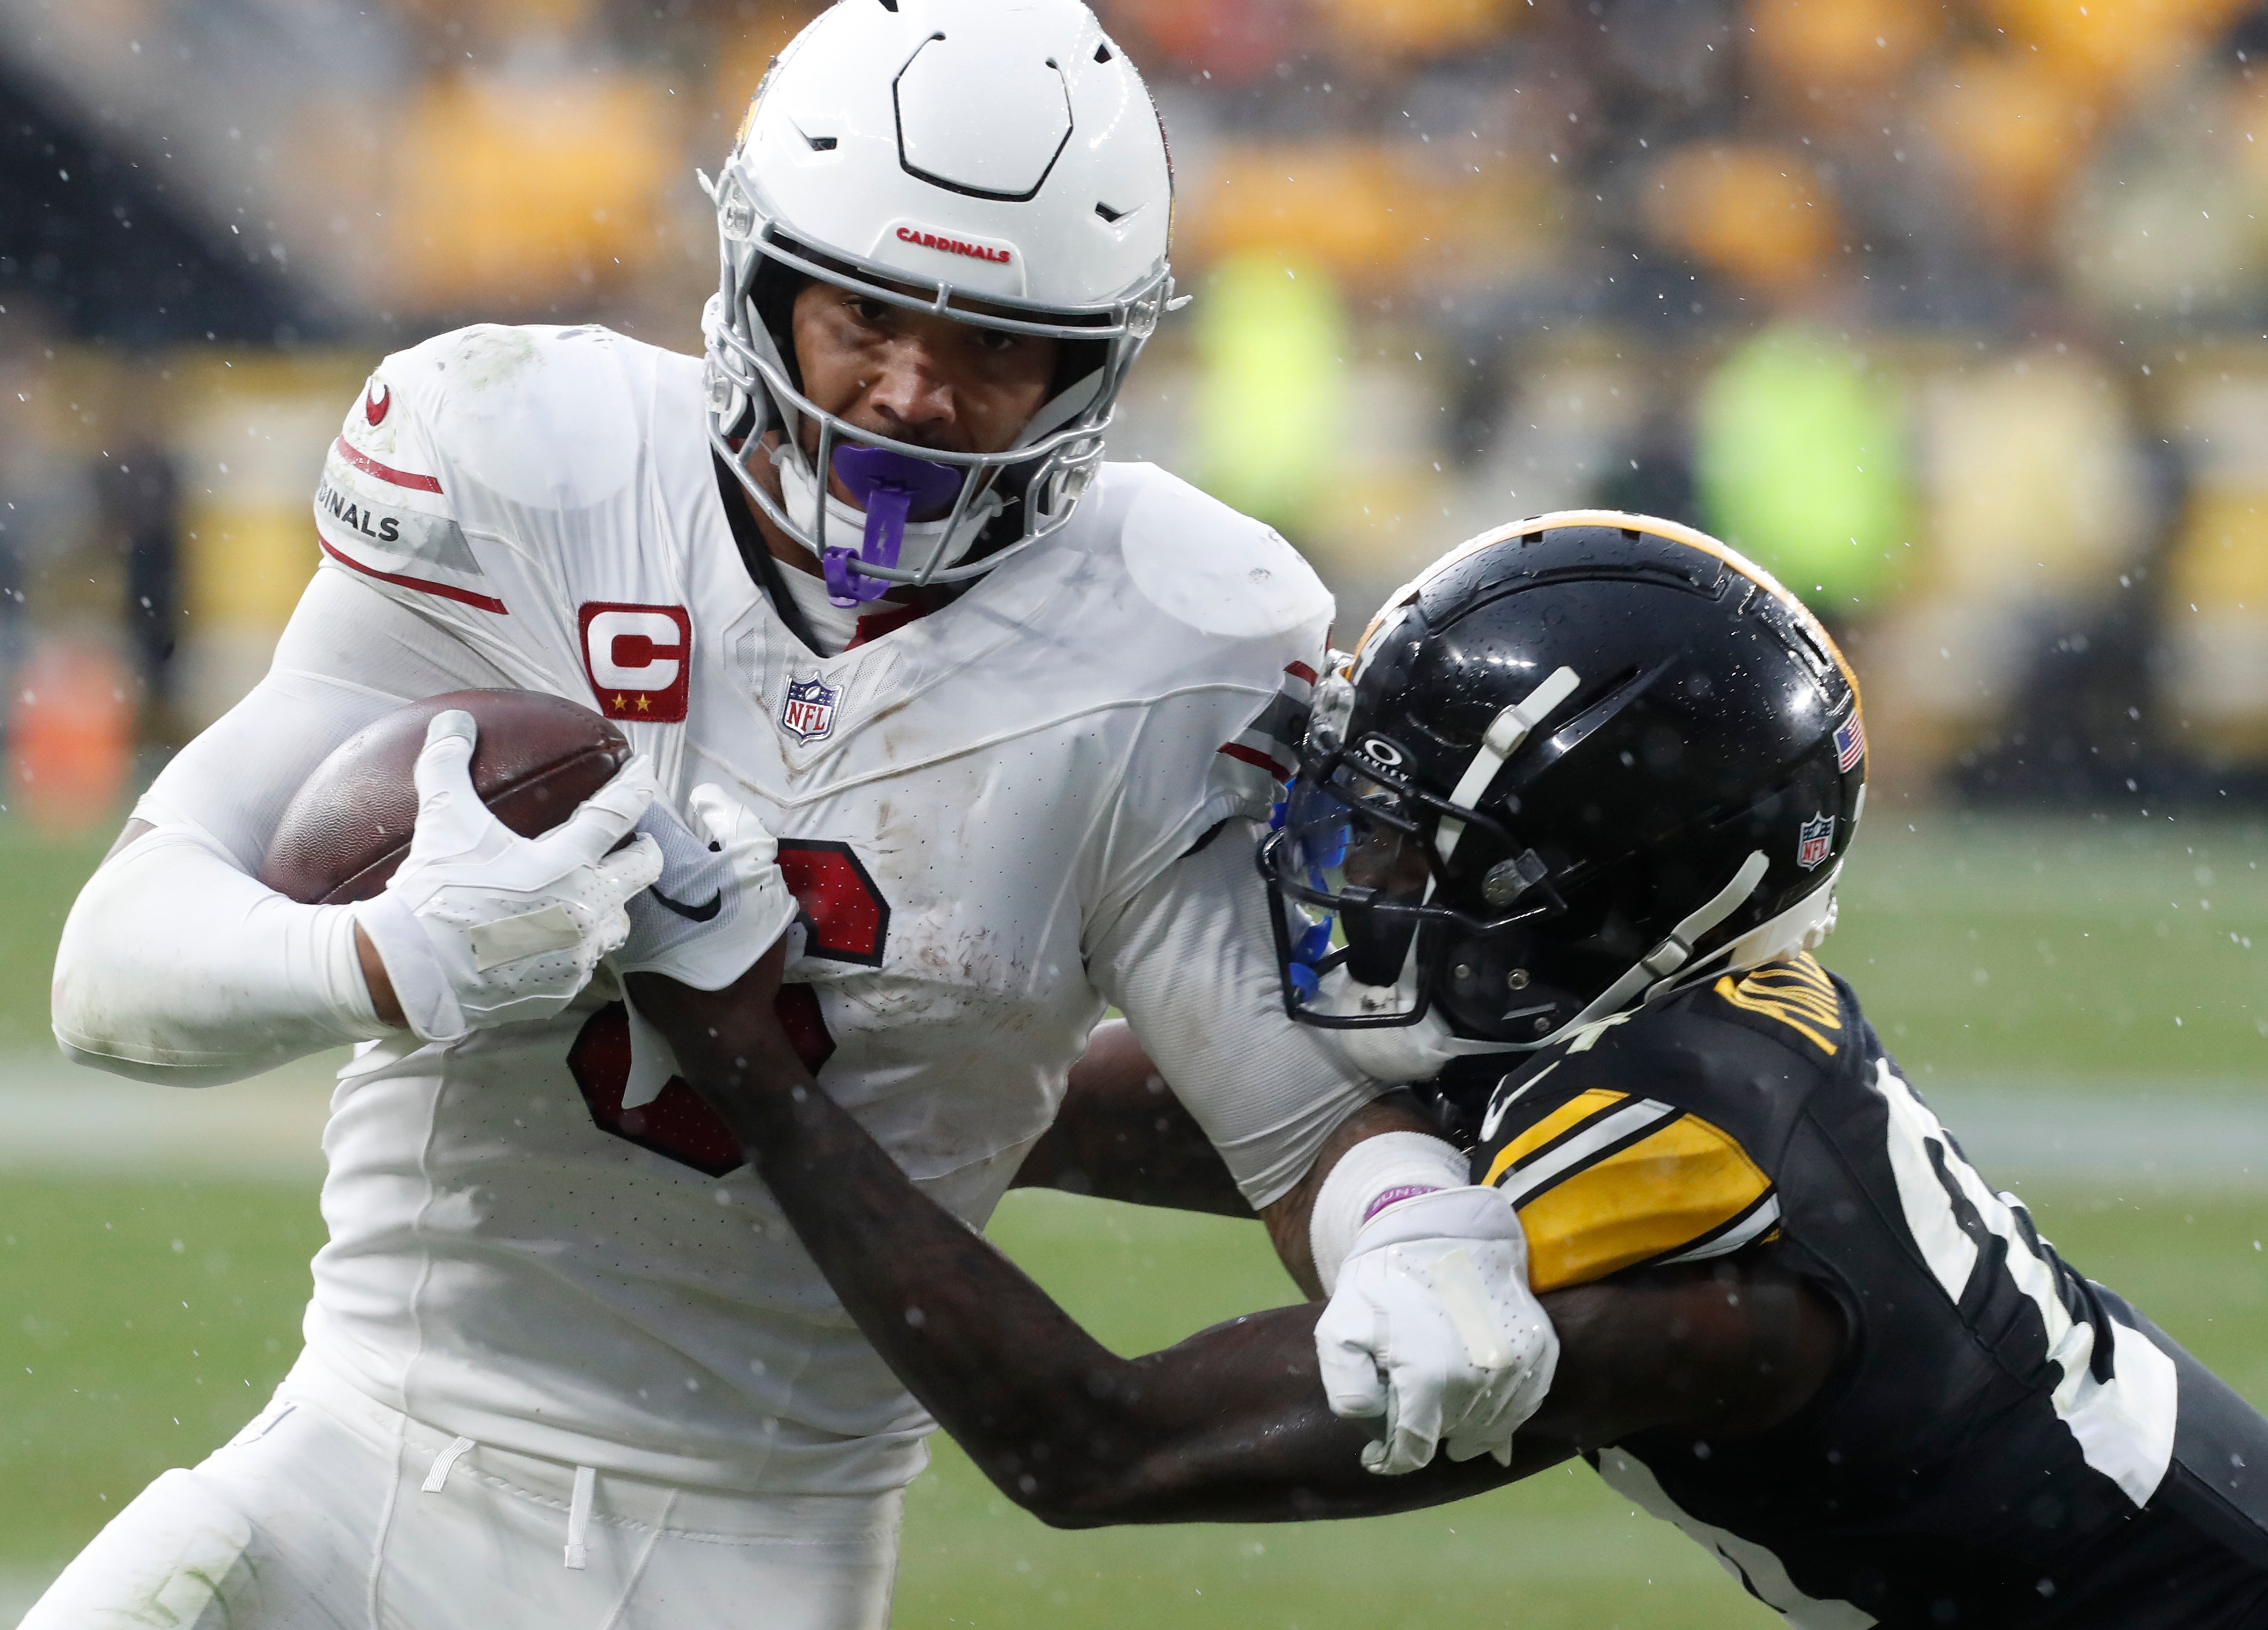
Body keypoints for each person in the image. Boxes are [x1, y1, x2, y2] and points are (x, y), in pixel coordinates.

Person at [26, 0, 1555, 1629]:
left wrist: (1418, 1238)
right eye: (867, 317)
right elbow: (113, 971)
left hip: (760, 1545)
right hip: (356, 1463)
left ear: (1094, 364)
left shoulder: (1181, 629)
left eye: (994, 344)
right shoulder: (524, 454)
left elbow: (1293, 1108)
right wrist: (390, 961)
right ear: (757, 279)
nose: (913, 391)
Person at [627, 512, 2268, 1629]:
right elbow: (1254, 1120)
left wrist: (765, 1089)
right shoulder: (1632, 1015)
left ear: (1607, 889)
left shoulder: (1705, 1251)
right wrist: (888, 1059)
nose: (1358, 864)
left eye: (1422, 840)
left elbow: (1097, 1441)